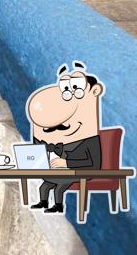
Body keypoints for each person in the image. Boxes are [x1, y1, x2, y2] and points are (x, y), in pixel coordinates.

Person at [26, 62, 105, 214]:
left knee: (60, 183)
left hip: (87, 170)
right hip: (69, 168)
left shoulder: (90, 140)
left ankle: (58, 205)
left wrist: (65, 161)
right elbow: (63, 151)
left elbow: (92, 162)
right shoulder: (72, 140)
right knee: (46, 184)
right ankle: (43, 202)